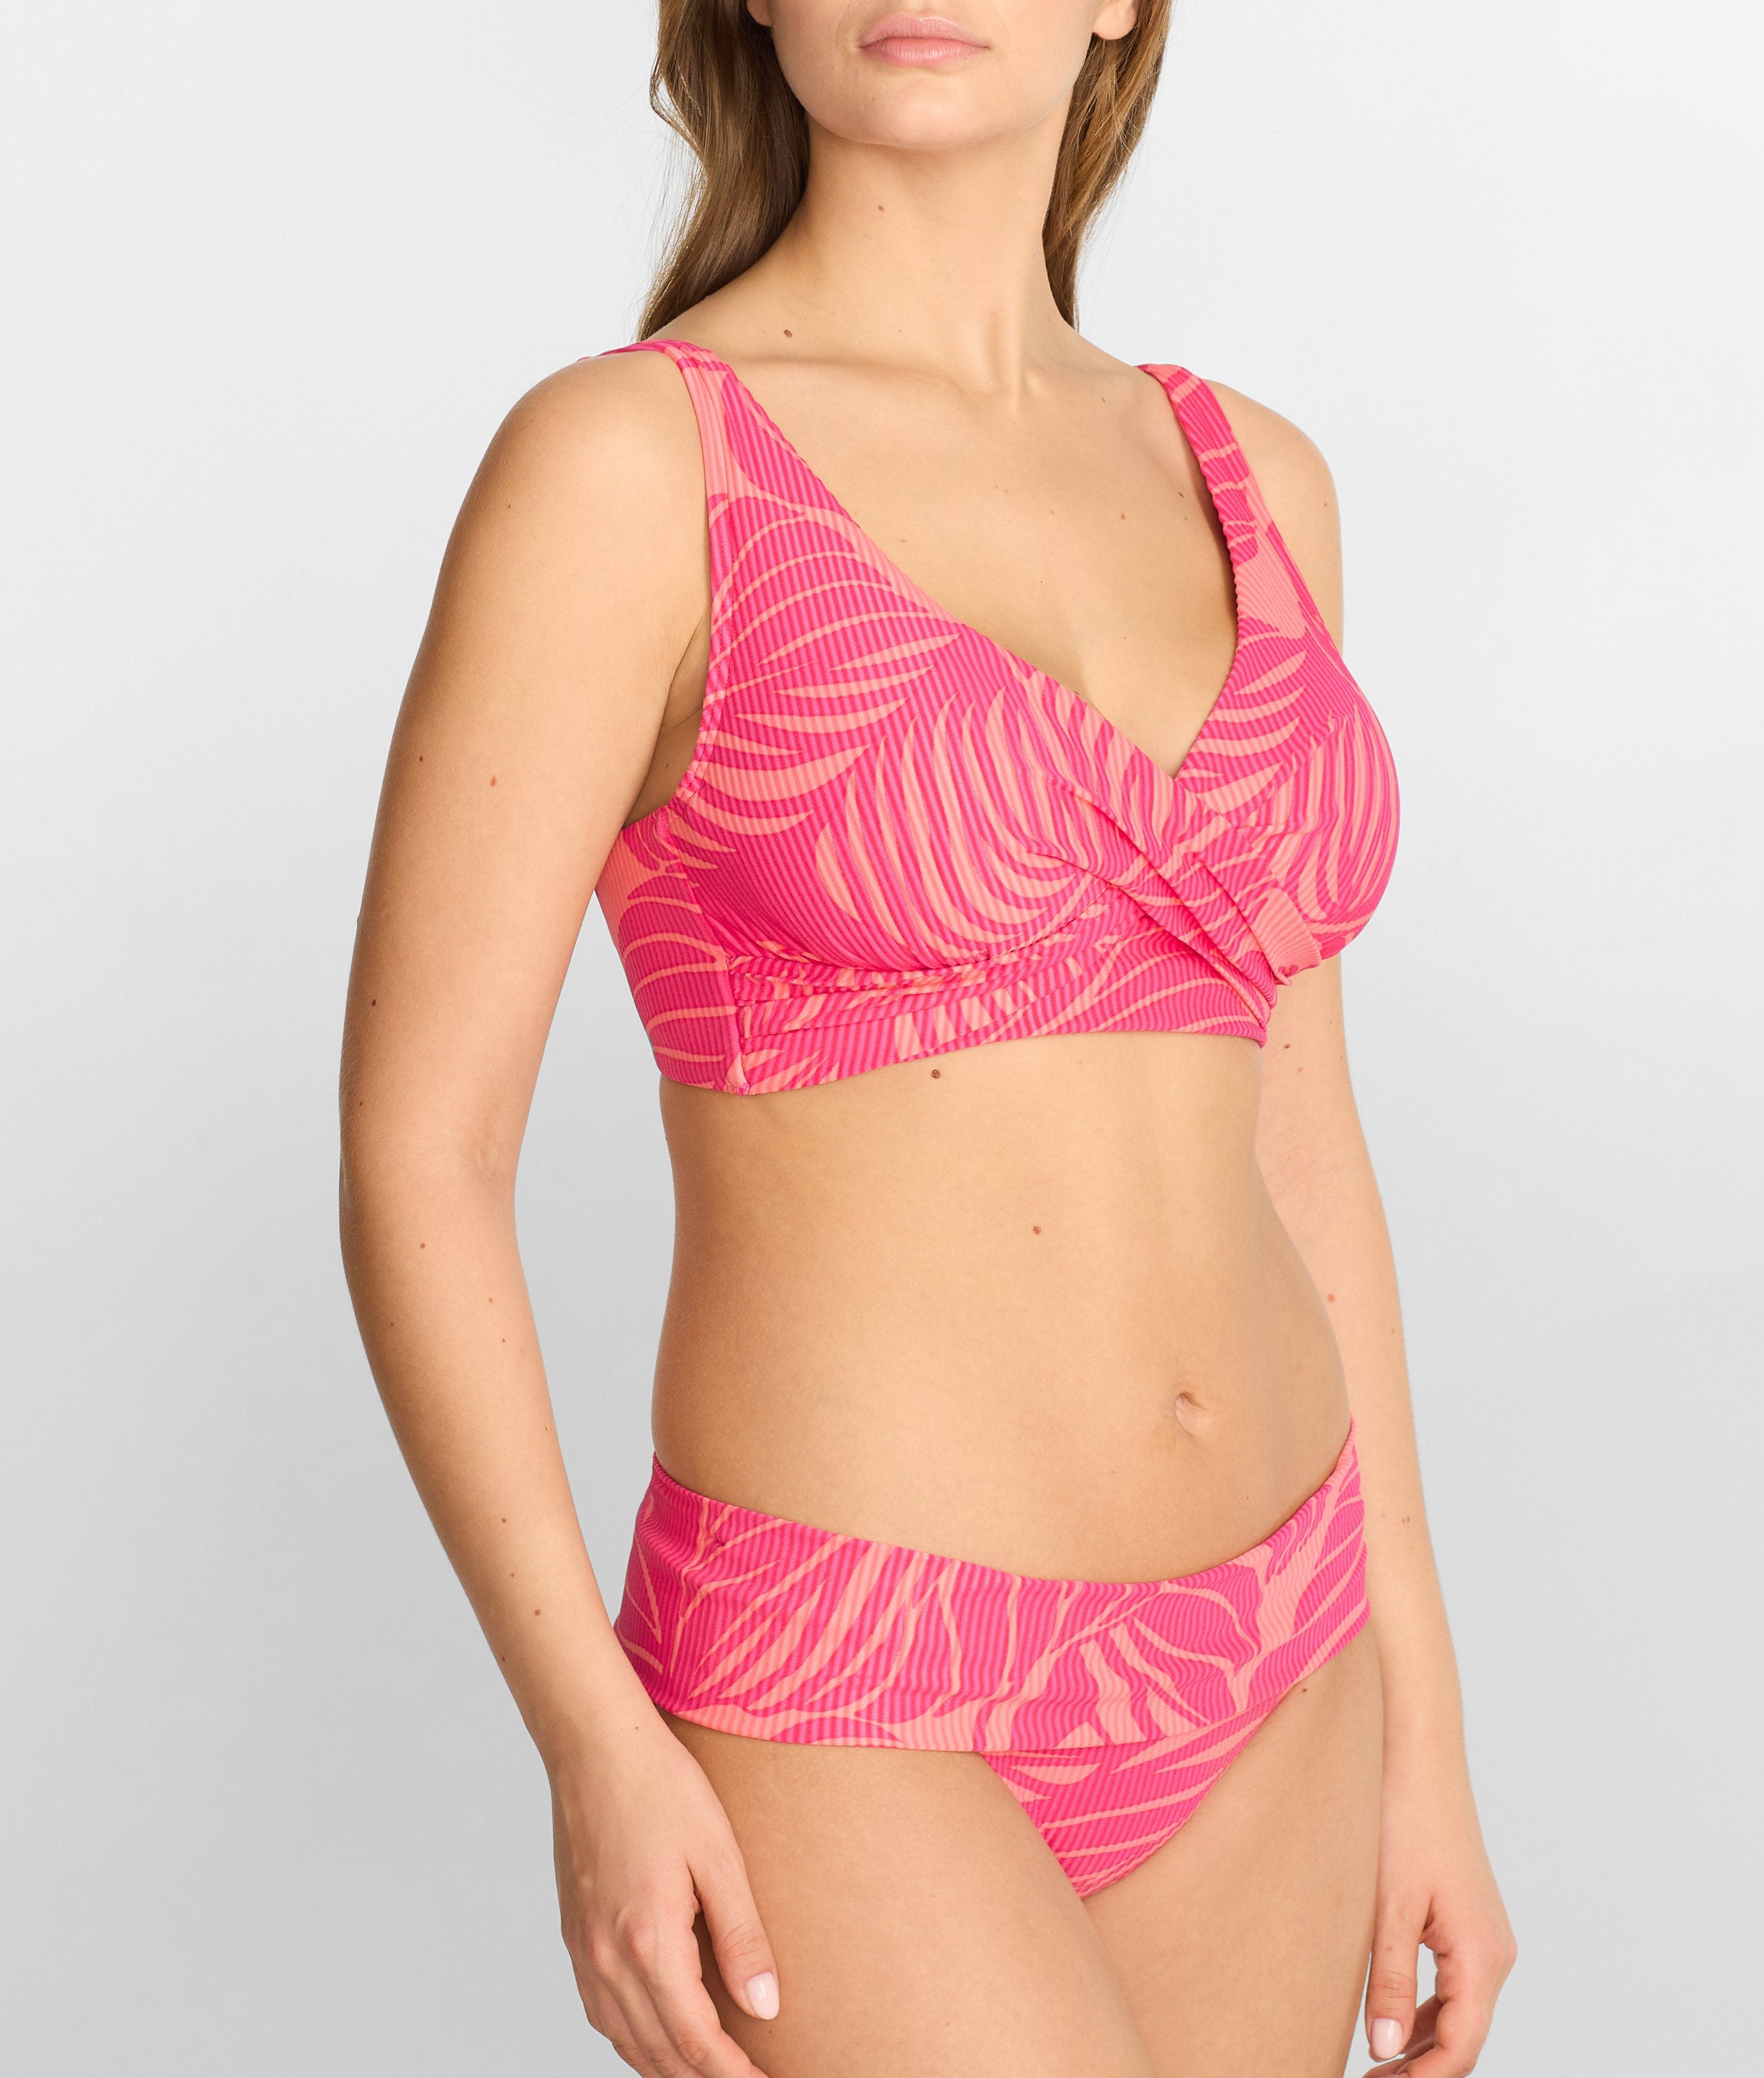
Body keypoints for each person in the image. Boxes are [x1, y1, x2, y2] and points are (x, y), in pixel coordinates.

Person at [338, 4, 1516, 2073]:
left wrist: (1426, 1716)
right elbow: (419, 1156)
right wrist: (592, 1738)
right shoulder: (631, 466)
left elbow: (1305, 1133)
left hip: (1284, 1637)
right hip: (849, 1686)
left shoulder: (1259, 480)